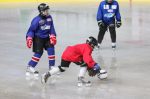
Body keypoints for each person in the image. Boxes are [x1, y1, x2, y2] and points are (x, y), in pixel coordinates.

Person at [41, 36, 107, 86]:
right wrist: (94, 65)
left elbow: (87, 57)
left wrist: (93, 64)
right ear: (91, 44)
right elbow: (87, 59)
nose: (94, 47)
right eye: (94, 45)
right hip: (73, 56)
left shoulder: (84, 46)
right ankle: (81, 79)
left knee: (63, 68)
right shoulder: (87, 47)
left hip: (66, 53)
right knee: (85, 64)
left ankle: (46, 74)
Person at [26, 3, 57, 77]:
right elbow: (31, 30)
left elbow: (51, 27)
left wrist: (53, 35)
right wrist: (29, 38)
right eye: (45, 10)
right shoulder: (36, 20)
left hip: (47, 38)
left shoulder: (49, 17)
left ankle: (51, 67)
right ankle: (30, 67)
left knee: (51, 50)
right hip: (38, 39)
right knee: (38, 54)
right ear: (41, 11)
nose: (47, 11)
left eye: (47, 10)